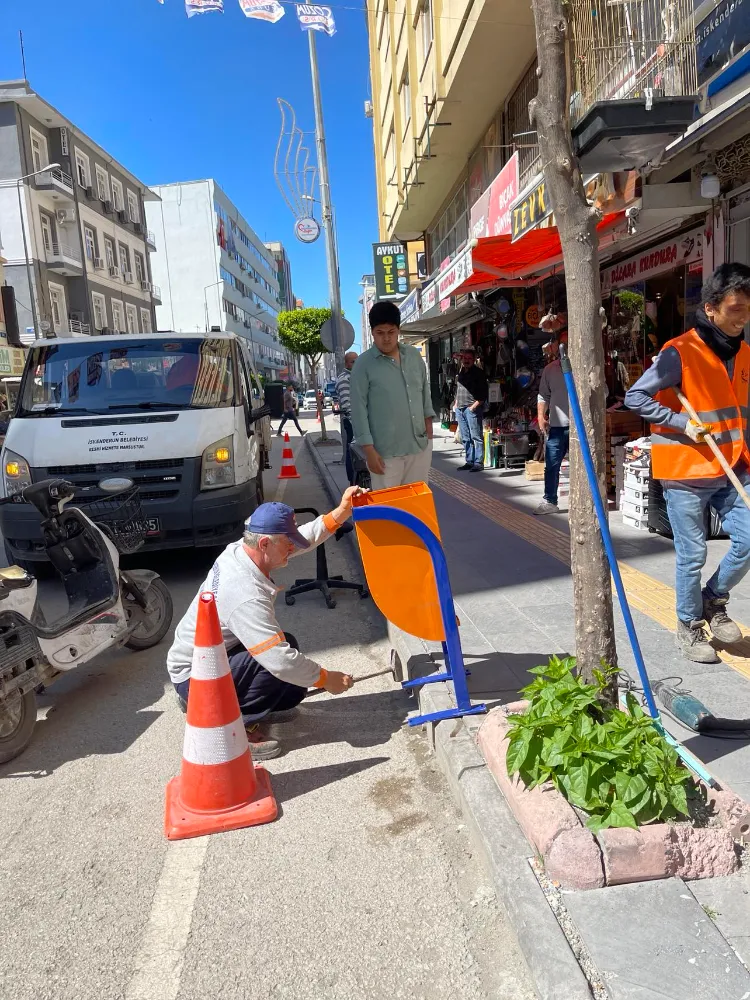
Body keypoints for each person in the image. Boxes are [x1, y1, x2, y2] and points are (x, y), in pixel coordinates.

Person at [166, 488, 363, 759]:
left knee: (291, 678)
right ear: (264, 544)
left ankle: (206, 703)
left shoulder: (242, 550)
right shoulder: (243, 592)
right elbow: (278, 660)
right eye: (287, 543)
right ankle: (233, 731)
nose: (293, 548)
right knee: (276, 660)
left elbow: (301, 537)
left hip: (201, 661)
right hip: (193, 675)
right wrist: (327, 679)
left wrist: (340, 513)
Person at [625, 262, 750, 663]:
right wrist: (682, 423)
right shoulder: (679, 352)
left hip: (732, 464)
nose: (743, 318)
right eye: (735, 309)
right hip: (686, 471)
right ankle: (688, 625)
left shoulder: (745, 352)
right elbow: (635, 397)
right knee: (692, 554)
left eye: (748, 310)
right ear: (711, 308)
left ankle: (713, 600)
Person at [350, 301, 435, 490]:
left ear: (398, 330)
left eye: (391, 332)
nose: (386, 338)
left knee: (416, 510)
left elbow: (424, 393)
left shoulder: (414, 356)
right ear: (372, 332)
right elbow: (358, 409)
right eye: (380, 333)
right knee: (389, 512)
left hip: (419, 447)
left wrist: (429, 434)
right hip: (384, 453)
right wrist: (368, 450)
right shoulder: (363, 365)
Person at [535, 338, 570, 515]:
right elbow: (543, 395)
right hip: (557, 425)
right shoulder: (550, 369)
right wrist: (541, 416)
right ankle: (550, 500)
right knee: (552, 465)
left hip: (581, 427)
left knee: (588, 466)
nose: (564, 346)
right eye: (561, 343)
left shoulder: (585, 366)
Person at [454, 349, 488, 472]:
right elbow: (458, 390)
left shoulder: (479, 373)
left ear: (474, 360)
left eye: (469, 358)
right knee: (465, 437)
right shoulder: (461, 372)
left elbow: (483, 394)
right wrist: (456, 404)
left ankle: (478, 462)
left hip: (471, 409)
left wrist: (473, 407)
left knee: (476, 436)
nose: (466, 360)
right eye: (464, 358)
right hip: (460, 409)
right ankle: (469, 461)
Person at [335, 351, 358, 484]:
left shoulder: (356, 376)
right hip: (352, 421)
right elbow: (347, 404)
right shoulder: (345, 378)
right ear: (346, 363)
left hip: (360, 420)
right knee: (352, 450)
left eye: (357, 361)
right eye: (352, 361)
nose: (355, 364)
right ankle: (352, 481)